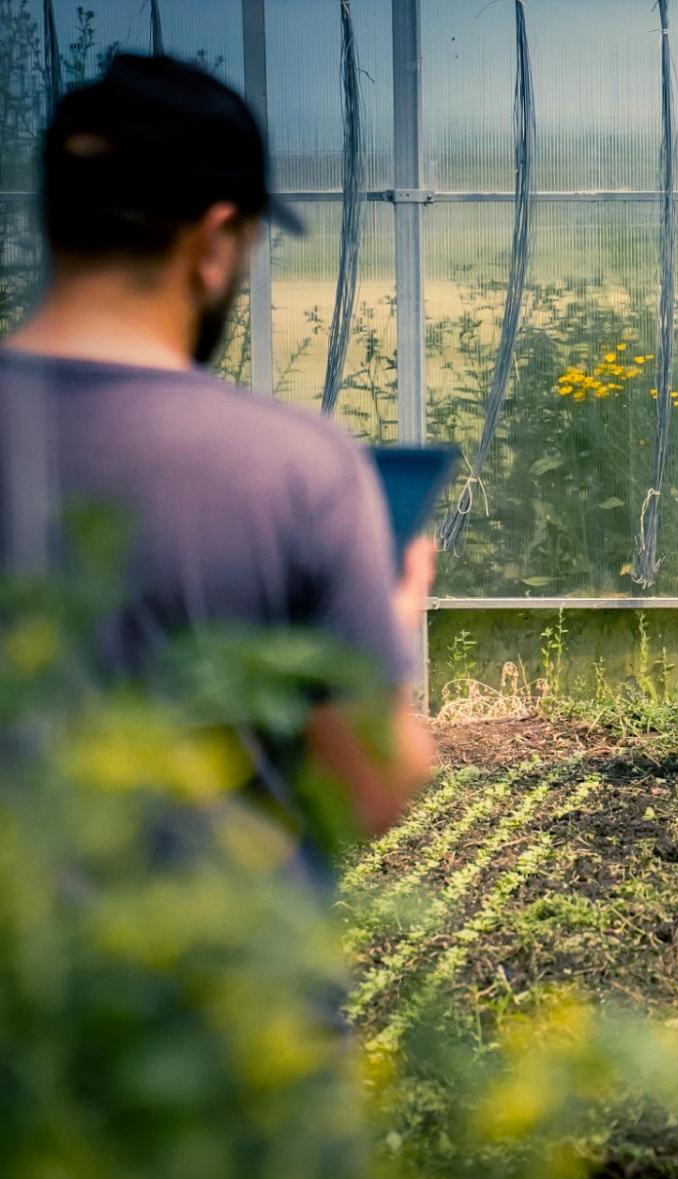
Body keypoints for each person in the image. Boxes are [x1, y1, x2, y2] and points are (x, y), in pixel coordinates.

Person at [0, 54, 433, 839]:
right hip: (214, 956)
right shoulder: (294, 468)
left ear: (54, 221)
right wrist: (380, 641)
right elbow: (372, 789)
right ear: (213, 244)